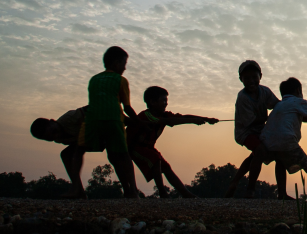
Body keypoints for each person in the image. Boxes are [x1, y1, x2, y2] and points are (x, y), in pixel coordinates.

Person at [127, 86, 219, 198]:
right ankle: (162, 192)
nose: (166, 104)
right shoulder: (146, 116)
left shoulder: (164, 115)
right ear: (152, 102)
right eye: (163, 100)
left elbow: (183, 117)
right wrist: (194, 121)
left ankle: (186, 194)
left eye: (166, 101)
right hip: (134, 148)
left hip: (148, 148)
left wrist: (206, 118)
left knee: (166, 167)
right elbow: (171, 121)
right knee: (156, 159)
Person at [82, 46, 143, 198]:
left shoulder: (94, 79)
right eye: (124, 63)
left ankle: (77, 187)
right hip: (114, 121)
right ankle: (133, 190)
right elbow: (127, 108)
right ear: (116, 63)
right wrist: (138, 122)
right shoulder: (120, 80)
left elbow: (97, 102)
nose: (125, 67)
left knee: (108, 155)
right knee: (124, 156)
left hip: (93, 121)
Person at [224, 60, 290, 199]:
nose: (251, 81)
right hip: (246, 132)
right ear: (241, 79)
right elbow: (252, 121)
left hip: (261, 130)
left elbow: (276, 105)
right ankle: (250, 189)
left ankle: (282, 193)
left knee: (277, 152)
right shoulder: (243, 97)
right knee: (259, 151)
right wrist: (270, 118)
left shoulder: (264, 91)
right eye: (246, 78)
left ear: (260, 76)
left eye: (254, 77)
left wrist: (289, 108)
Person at [30, 106, 89, 199]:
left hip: (94, 131)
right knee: (65, 154)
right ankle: (79, 189)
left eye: (54, 131)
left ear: (53, 121)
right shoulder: (58, 138)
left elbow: (89, 108)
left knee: (78, 150)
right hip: (85, 140)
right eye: (50, 138)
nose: (56, 136)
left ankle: (76, 189)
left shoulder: (69, 118)